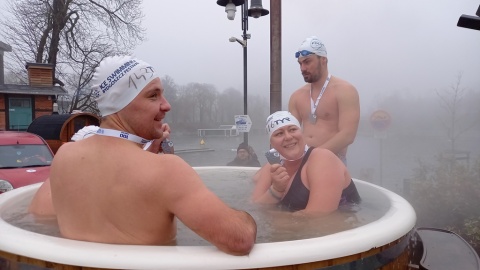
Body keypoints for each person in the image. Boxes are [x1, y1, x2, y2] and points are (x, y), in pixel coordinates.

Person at [40, 55, 257, 256]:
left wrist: (146, 155)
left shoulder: (64, 157)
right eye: (153, 96)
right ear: (119, 102)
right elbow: (239, 238)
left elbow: (40, 213)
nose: (167, 105)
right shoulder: (166, 170)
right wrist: (247, 217)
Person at [252, 111, 360, 214]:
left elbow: (319, 218)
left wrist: (272, 219)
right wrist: (276, 190)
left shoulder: (322, 159)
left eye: (293, 129)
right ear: (272, 143)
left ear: (301, 133)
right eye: (279, 134)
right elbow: (254, 208)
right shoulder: (272, 167)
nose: (288, 137)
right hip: (299, 230)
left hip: (347, 229)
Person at [288, 36, 360, 164]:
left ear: (323, 60)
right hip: (302, 160)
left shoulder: (345, 91)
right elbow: (289, 134)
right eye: (300, 63)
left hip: (332, 160)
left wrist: (313, 157)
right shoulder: (297, 96)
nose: (303, 68)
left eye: (307, 62)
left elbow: (347, 134)